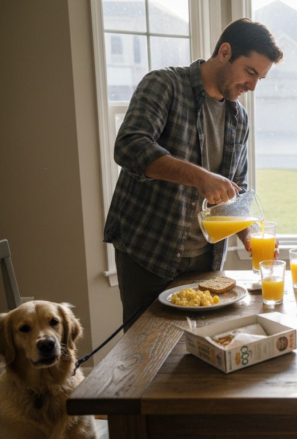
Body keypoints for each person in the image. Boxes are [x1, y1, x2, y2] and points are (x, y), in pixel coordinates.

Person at [104, 19, 283, 329]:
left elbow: (234, 189)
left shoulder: (238, 117)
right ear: (225, 52)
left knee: (199, 346)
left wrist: (246, 234)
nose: (252, 86)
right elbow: (129, 146)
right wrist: (201, 177)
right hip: (148, 251)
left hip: (206, 258)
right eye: (250, 72)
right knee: (143, 348)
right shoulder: (164, 85)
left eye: (260, 79)